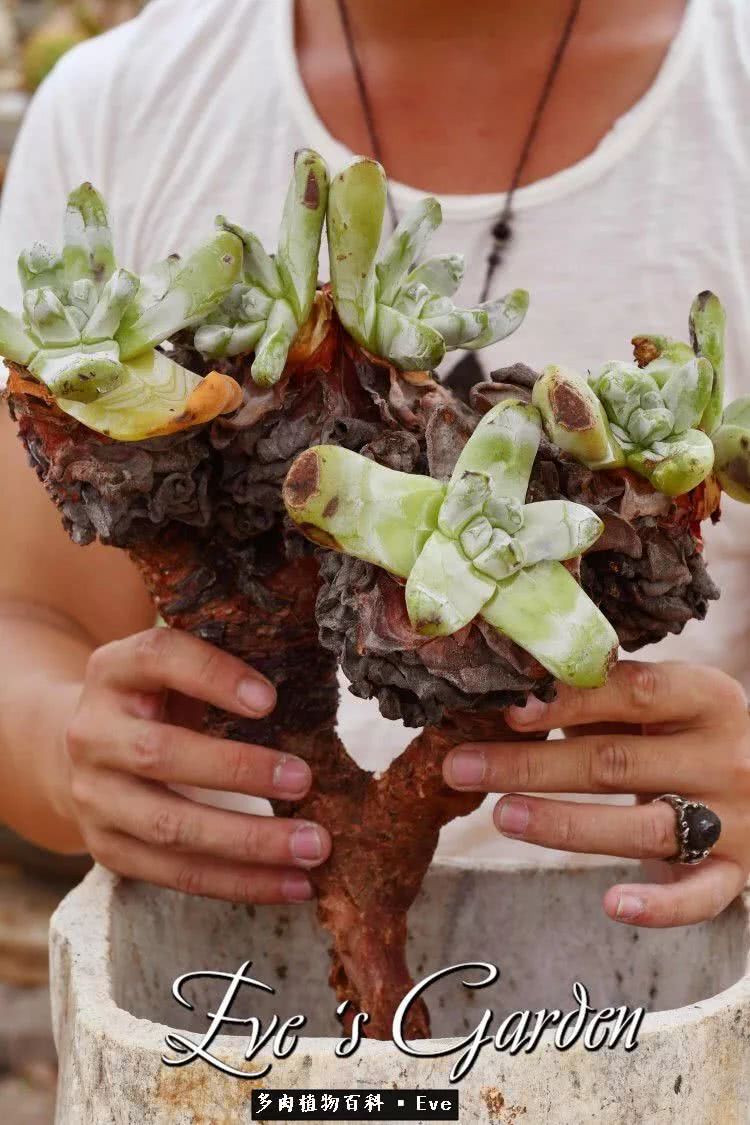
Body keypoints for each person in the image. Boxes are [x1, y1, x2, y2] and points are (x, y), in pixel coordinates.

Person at [0, 0, 748, 926]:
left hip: (653, 1018)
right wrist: (66, 751)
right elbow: (27, 620)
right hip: (214, 1012)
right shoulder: (117, 100)